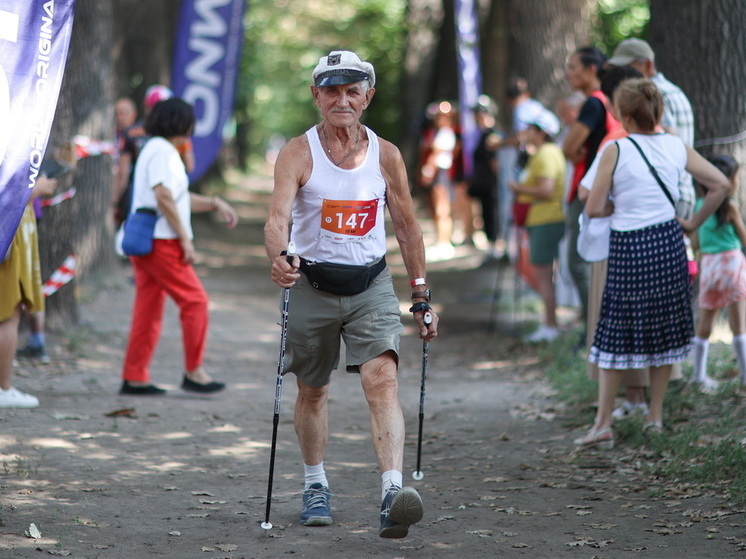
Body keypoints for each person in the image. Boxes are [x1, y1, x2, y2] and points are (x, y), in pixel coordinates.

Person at [264, 50, 439, 539]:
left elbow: (405, 224)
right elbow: (278, 218)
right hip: (312, 283)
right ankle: (315, 484)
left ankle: (391, 494)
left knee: (381, 378)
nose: (342, 100)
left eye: (352, 90)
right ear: (316, 95)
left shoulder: (386, 155)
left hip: (371, 282)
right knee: (312, 389)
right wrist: (279, 256)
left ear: (368, 97)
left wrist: (421, 294)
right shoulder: (299, 153)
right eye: (332, 90)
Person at [575, 78, 728, 449]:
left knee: (615, 333)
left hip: (630, 246)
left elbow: (593, 206)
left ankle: (603, 423)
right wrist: (691, 222)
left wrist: (618, 206)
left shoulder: (617, 149)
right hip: (668, 243)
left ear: (625, 115)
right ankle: (654, 418)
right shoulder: (677, 146)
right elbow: (721, 183)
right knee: (663, 331)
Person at [119, 98, 238, 396]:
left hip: (150, 240)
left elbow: (178, 197)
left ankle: (135, 376)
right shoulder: (161, 151)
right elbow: (163, 198)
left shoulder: (158, 149)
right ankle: (194, 372)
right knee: (195, 301)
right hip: (162, 242)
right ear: (180, 123)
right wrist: (185, 239)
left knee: (148, 309)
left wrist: (213, 203)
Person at [605, 38, 696, 220]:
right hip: (680, 190)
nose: (624, 74)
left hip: (666, 194)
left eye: (627, 67)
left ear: (647, 65)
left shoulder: (650, 94)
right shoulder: (673, 90)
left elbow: (667, 133)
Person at [562, 46, 614, 327]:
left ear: (591, 69)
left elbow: (569, 146)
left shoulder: (594, 103)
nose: (568, 73)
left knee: (579, 263)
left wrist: (575, 152)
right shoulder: (609, 100)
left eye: (573, 67)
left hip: (587, 191)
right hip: (602, 190)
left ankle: (591, 327)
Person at [0, 176, 58, 407]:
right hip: (7, 233)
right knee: (7, 314)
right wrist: (36, 188)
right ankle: (3, 388)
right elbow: (8, 193)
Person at [690, 155, 746, 392]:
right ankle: (745, 377)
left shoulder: (698, 207)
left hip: (710, 267)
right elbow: (743, 237)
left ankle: (699, 376)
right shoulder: (730, 206)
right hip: (731, 265)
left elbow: (695, 243)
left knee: (705, 325)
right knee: (739, 326)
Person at [509, 110, 566, 342]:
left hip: (546, 219)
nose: (525, 133)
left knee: (543, 275)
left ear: (541, 132)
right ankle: (548, 323)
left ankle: (551, 326)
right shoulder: (541, 153)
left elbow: (546, 190)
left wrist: (517, 189)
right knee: (542, 275)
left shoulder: (546, 154)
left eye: (530, 128)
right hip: (540, 219)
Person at [493, 78, 545, 249]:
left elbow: (522, 138)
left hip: (533, 162)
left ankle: (517, 248)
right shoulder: (536, 106)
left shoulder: (521, 110)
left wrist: (499, 144)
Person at [419, 101, 458, 260]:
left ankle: (445, 242)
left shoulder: (447, 133)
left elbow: (437, 154)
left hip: (442, 173)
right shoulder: (438, 132)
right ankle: (441, 240)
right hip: (438, 173)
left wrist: (429, 170)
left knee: (442, 209)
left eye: (444, 116)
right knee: (437, 208)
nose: (440, 119)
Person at [467, 95, 501, 261]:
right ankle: (491, 247)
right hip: (484, 184)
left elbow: (495, 162)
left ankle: (496, 247)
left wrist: (498, 182)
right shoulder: (482, 134)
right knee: (486, 215)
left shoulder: (492, 135)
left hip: (491, 185)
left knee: (492, 214)